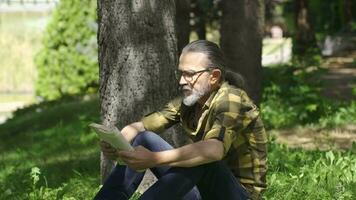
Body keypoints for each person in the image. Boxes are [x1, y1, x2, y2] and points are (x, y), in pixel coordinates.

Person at [94, 40, 267, 200]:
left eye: (189, 74)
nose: (182, 81)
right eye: (181, 73)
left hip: (238, 195)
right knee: (145, 138)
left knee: (204, 158)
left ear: (213, 76)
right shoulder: (191, 101)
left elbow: (214, 151)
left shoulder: (230, 99)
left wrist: (154, 158)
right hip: (202, 190)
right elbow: (140, 127)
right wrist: (118, 144)